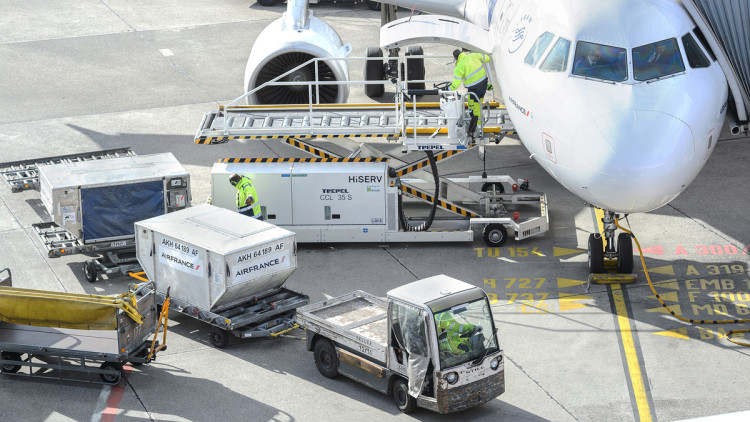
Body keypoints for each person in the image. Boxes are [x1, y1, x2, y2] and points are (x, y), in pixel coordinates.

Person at [449, 49, 492, 137]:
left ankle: (478, 129)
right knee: (478, 104)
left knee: (474, 107)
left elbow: (455, 85)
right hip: (483, 85)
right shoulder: (474, 55)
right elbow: (487, 58)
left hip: (474, 89)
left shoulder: (459, 66)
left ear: (455, 58)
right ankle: (477, 123)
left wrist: (448, 89)